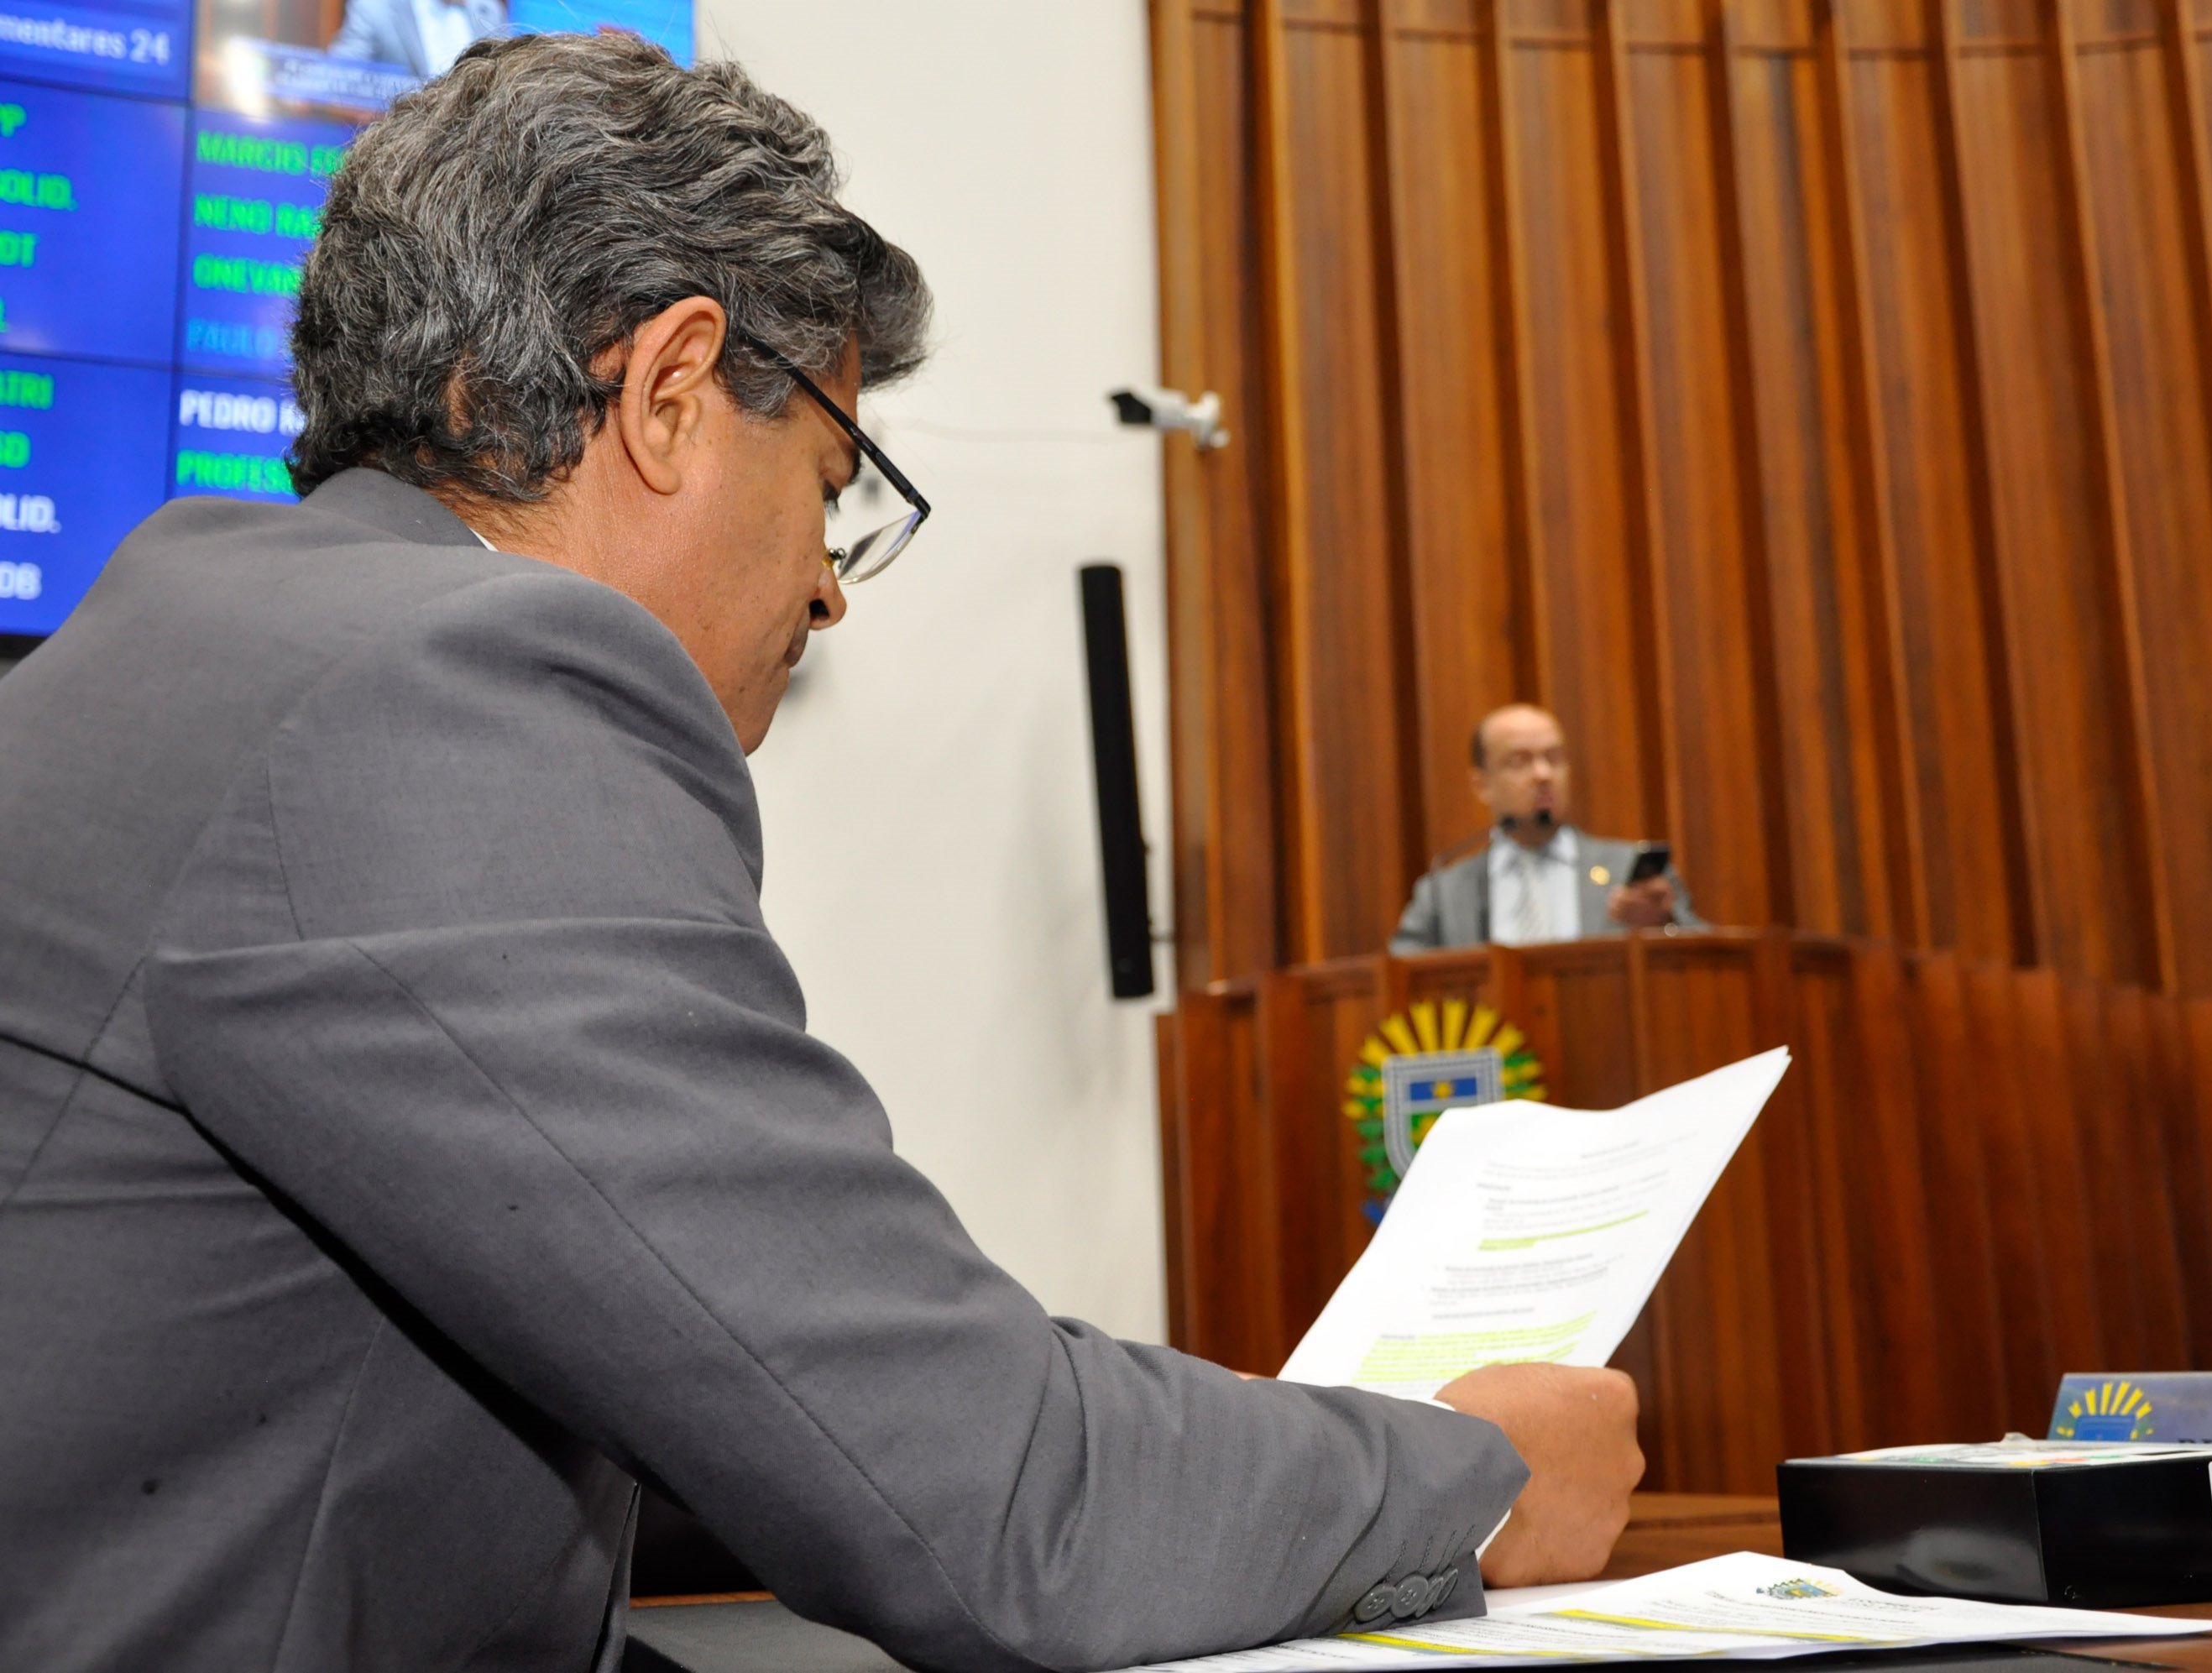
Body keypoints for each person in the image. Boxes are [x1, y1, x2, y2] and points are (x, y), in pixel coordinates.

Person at [0, 34, 1642, 1673]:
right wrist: (1473, 1474)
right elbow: (992, 1499)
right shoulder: (446, 692)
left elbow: (732, 1414)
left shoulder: (200, 632)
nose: (829, 588)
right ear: (670, 394)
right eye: (832, 483)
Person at [1392, 704, 1707, 954]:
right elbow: (1401, 976)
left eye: (1553, 758)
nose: (1543, 774)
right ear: (1481, 784)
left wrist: (1663, 926)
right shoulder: (1444, 892)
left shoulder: (1631, 871)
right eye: (1519, 762)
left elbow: (1705, 955)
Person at [329, 0, 507, 78]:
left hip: (474, 136)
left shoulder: (488, 9)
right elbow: (338, 75)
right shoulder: (375, 8)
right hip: (402, 135)